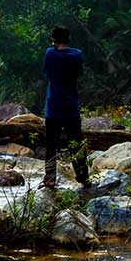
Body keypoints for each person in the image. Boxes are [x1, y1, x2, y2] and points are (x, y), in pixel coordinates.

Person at [42, 25, 89, 188]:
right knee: (76, 143)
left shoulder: (50, 53)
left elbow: (47, 74)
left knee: (50, 145)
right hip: (71, 106)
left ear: (54, 39)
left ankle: (50, 179)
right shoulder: (77, 55)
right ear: (68, 39)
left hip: (53, 107)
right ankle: (83, 177)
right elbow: (78, 74)